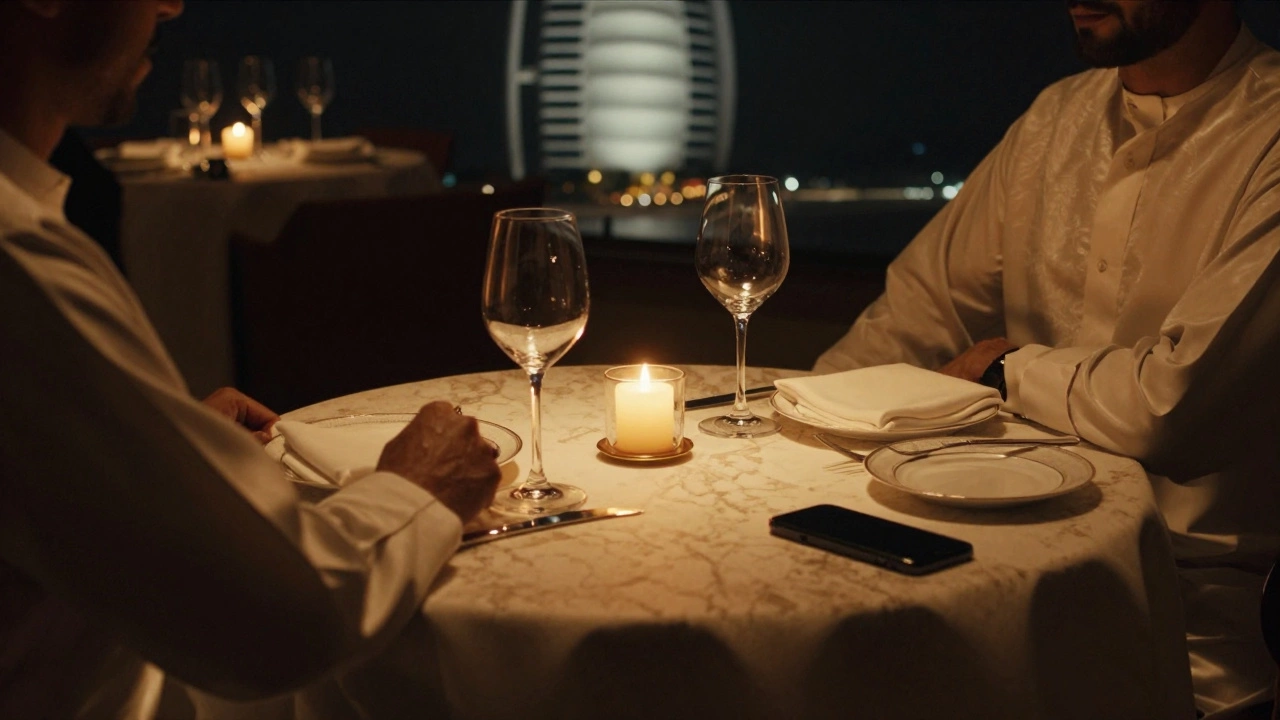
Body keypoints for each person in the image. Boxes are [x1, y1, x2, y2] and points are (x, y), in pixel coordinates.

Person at [0, 1, 502, 718]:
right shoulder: (18, 264)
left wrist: (159, 449)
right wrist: (417, 488)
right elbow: (288, 619)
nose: (172, 3)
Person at [816, 1, 1280, 717]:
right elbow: (916, 311)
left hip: (1184, 623)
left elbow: (1167, 402)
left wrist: (1004, 369)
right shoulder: (1054, 120)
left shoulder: (1268, 131)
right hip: (989, 570)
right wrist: (803, 419)